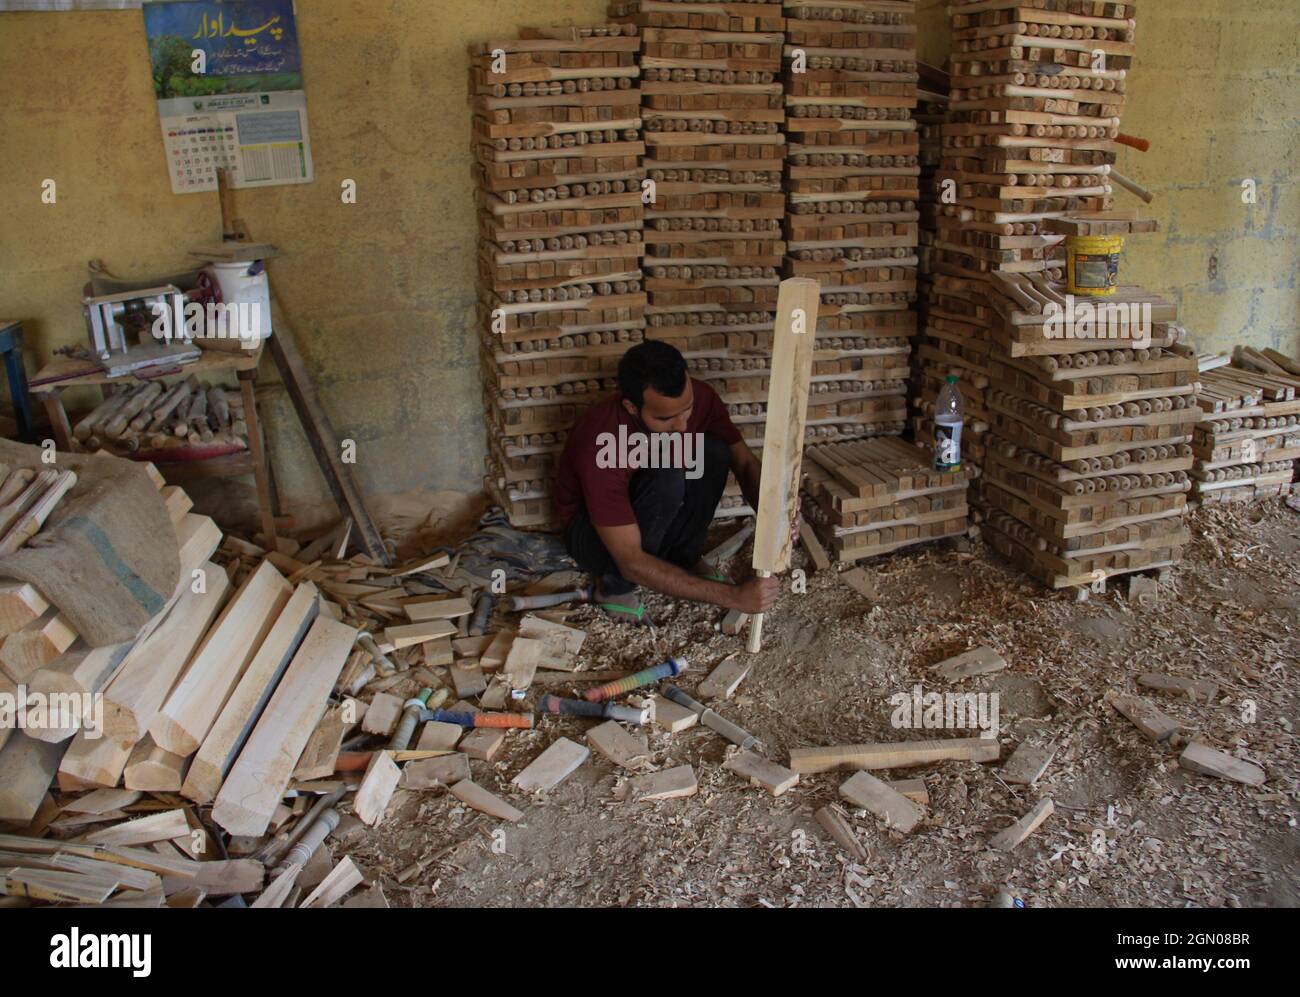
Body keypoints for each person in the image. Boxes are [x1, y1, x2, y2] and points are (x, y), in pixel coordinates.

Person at [554, 340, 782, 622]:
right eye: (666, 418)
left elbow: (745, 462)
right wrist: (734, 597)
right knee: (668, 475)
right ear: (631, 407)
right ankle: (613, 589)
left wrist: (775, 518)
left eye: (686, 410)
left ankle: (681, 559)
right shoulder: (601, 441)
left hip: (652, 511)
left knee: (712, 451)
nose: (683, 424)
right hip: (594, 535)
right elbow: (631, 561)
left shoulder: (701, 397)